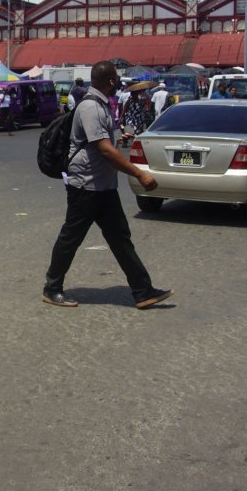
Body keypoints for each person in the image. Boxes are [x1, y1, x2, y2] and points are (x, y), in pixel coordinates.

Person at [42, 61, 174, 310]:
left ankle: (142, 290)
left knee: (120, 238)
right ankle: (52, 288)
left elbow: (104, 141)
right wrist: (139, 174)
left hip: (103, 186)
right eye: (116, 79)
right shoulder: (91, 107)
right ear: (111, 81)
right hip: (86, 187)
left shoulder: (100, 104)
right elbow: (103, 149)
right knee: (71, 238)